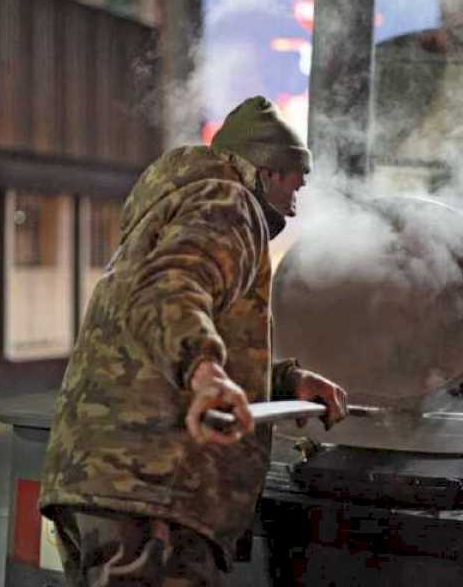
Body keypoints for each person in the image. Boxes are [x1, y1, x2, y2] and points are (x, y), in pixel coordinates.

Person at [40, 96, 348, 586]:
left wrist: (283, 381)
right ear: (265, 171)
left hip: (103, 484)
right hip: (155, 492)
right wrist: (206, 372)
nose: (303, 187)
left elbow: (156, 330)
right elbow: (172, 290)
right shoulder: (232, 203)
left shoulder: (176, 209)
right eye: (297, 173)